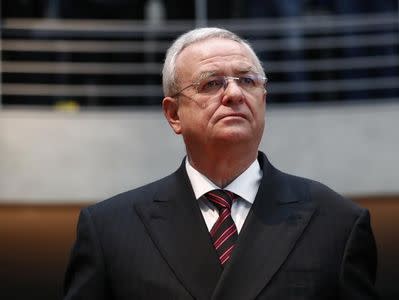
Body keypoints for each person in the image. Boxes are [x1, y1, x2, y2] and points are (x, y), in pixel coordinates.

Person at [63, 27, 378, 299]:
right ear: (173, 114)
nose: (234, 94)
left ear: (263, 99)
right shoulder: (110, 230)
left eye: (247, 81)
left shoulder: (336, 222)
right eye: (212, 83)